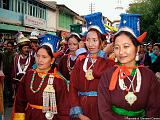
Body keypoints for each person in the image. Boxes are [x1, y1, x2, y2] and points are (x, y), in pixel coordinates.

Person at [98, 27, 160, 119]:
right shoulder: (108, 75)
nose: (121, 52)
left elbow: (154, 108)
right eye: (117, 47)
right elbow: (104, 110)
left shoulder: (149, 76)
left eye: (126, 46)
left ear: (137, 48)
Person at [12, 35, 70, 120]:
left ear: (52, 60)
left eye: (44, 57)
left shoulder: (58, 80)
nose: (39, 60)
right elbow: (20, 101)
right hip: (30, 116)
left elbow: (64, 107)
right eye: (37, 56)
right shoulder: (29, 75)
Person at [69, 26, 115, 120]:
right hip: (81, 108)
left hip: (101, 108)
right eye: (88, 40)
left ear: (102, 43)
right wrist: (79, 114)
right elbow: (73, 87)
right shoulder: (80, 62)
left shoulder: (110, 64)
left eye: (94, 40)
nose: (90, 44)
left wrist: (103, 54)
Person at [3, 41, 16, 107]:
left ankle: (11, 101)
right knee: (6, 88)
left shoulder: (15, 55)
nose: (9, 47)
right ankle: (7, 100)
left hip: (11, 74)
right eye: (8, 46)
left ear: (13, 47)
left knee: (11, 88)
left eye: (10, 46)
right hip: (5, 74)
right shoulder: (4, 54)